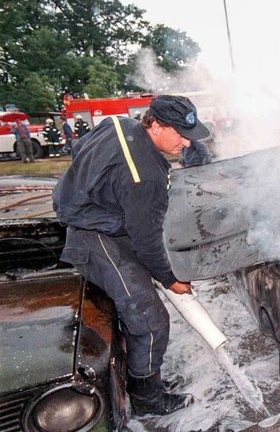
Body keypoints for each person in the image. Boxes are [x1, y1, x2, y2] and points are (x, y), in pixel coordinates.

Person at [52, 95, 210, 416]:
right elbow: (147, 240)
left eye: (189, 134)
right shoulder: (145, 176)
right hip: (94, 235)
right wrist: (171, 278)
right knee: (149, 317)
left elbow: (79, 149)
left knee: (136, 307)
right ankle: (147, 399)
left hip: (94, 217)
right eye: (179, 133)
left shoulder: (119, 124)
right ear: (154, 124)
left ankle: (139, 375)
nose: (186, 141)